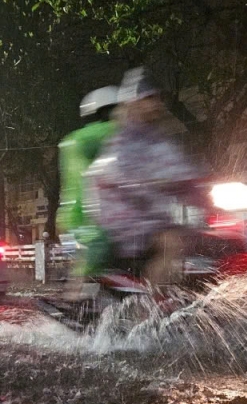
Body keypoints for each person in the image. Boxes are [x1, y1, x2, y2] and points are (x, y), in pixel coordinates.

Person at [84, 67, 204, 286]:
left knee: (212, 240)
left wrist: (200, 189)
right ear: (133, 102)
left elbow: (182, 171)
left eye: (158, 99)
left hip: (154, 218)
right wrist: (148, 185)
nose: (156, 104)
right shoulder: (122, 139)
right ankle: (152, 304)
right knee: (171, 242)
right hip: (124, 219)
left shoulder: (159, 140)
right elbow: (114, 172)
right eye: (149, 98)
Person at [56, 85, 119, 294]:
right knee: (92, 261)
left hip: (69, 219)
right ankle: (73, 300)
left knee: (90, 267)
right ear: (109, 110)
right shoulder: (97, 134)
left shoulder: (72, 139)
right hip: (88, 217)